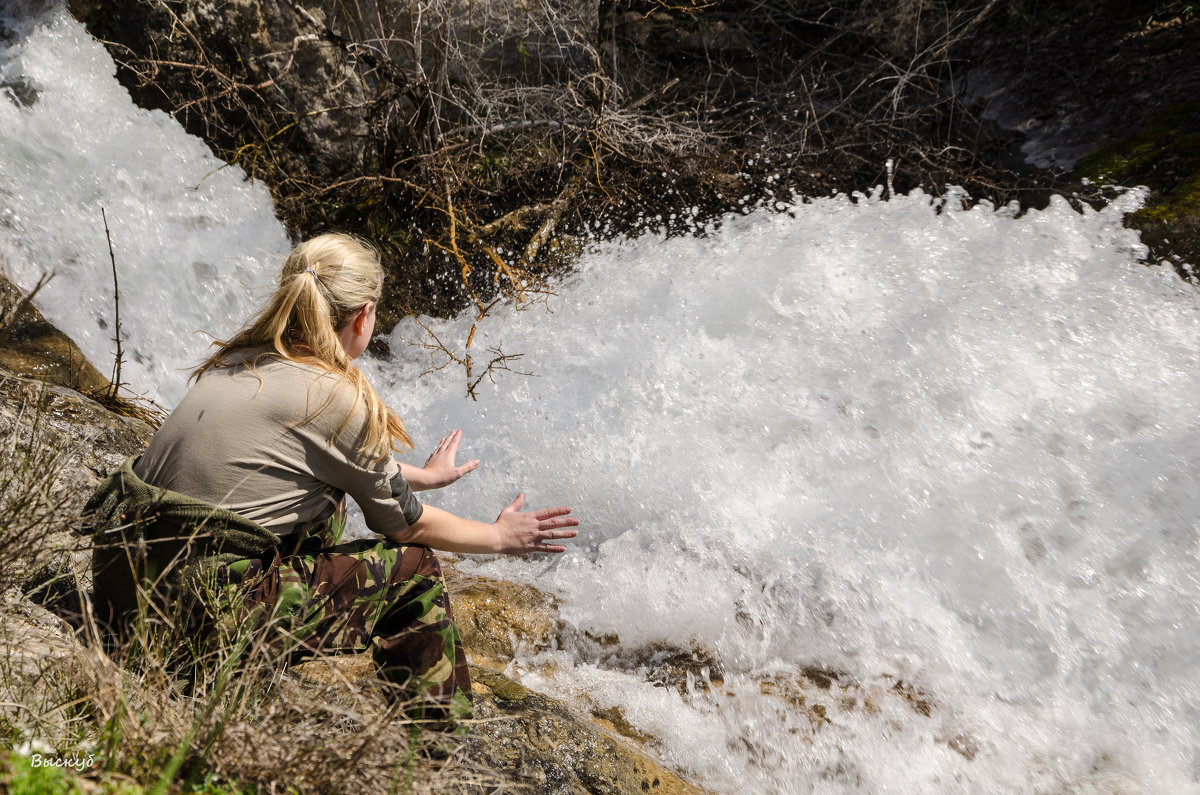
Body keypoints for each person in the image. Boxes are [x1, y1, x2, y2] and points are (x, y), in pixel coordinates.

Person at [86, 232, 578, 724]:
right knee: (415, 572)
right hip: (192, 615)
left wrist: (421, 477)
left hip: (121, 597)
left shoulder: (239, 359)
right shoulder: (334, 397)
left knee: (331, 504)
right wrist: (498, 536)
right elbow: (405, 529)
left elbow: (309, 457)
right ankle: (433, 752)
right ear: (363, 316)